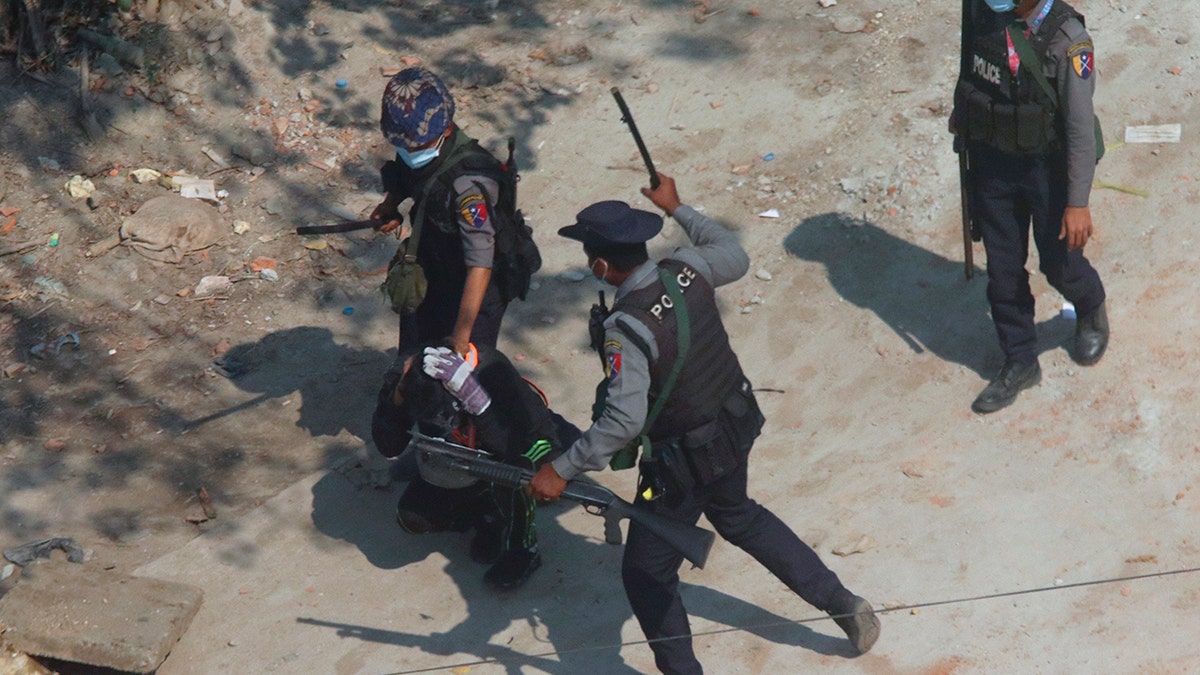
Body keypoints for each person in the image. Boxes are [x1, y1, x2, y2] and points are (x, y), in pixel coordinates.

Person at [529, 174, 880, 672]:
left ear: (602, 264)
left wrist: (562, 468)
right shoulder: (687, 268)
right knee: (739, 516)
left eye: (590, 256)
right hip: (733, 427)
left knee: (646, 573)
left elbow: (623, 420)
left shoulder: (624, 328)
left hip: (680, 467)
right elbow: (733, 254)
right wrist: (679, 208)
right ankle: (845, 604)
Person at [952, 0, 1109, 414]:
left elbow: (1079, 130)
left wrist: (1078, 203)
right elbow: (970, 70)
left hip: (1047, 170)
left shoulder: (1067, 40)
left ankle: (1090, 305)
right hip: (992, 163)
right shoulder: (981, 11)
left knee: (1060, 264)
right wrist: (963, 118)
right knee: (1003, 272)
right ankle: (1020, 359)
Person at [372, 342, 577, 588]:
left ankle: (524, 551)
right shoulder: (411, 379)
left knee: (519, 471)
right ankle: (487, 511)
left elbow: (518, 446)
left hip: (526, 442)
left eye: (444, 416)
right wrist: (394, 398)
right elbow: (389, 446)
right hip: (465, 461)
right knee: (413, 516)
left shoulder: (493, 372)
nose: (441, 422)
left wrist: (481, 407)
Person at [371, 67, 515, 356]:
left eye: (416, 145)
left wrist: (461, 337)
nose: (408, 151)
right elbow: (410, 176)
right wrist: (391, 206)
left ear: (447, 129)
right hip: (433, 263)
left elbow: (480, 263)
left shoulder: (468, 186)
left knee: (465, 379)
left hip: (473, 289)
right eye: (401, 145)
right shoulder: (419, 143)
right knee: (414, 354)